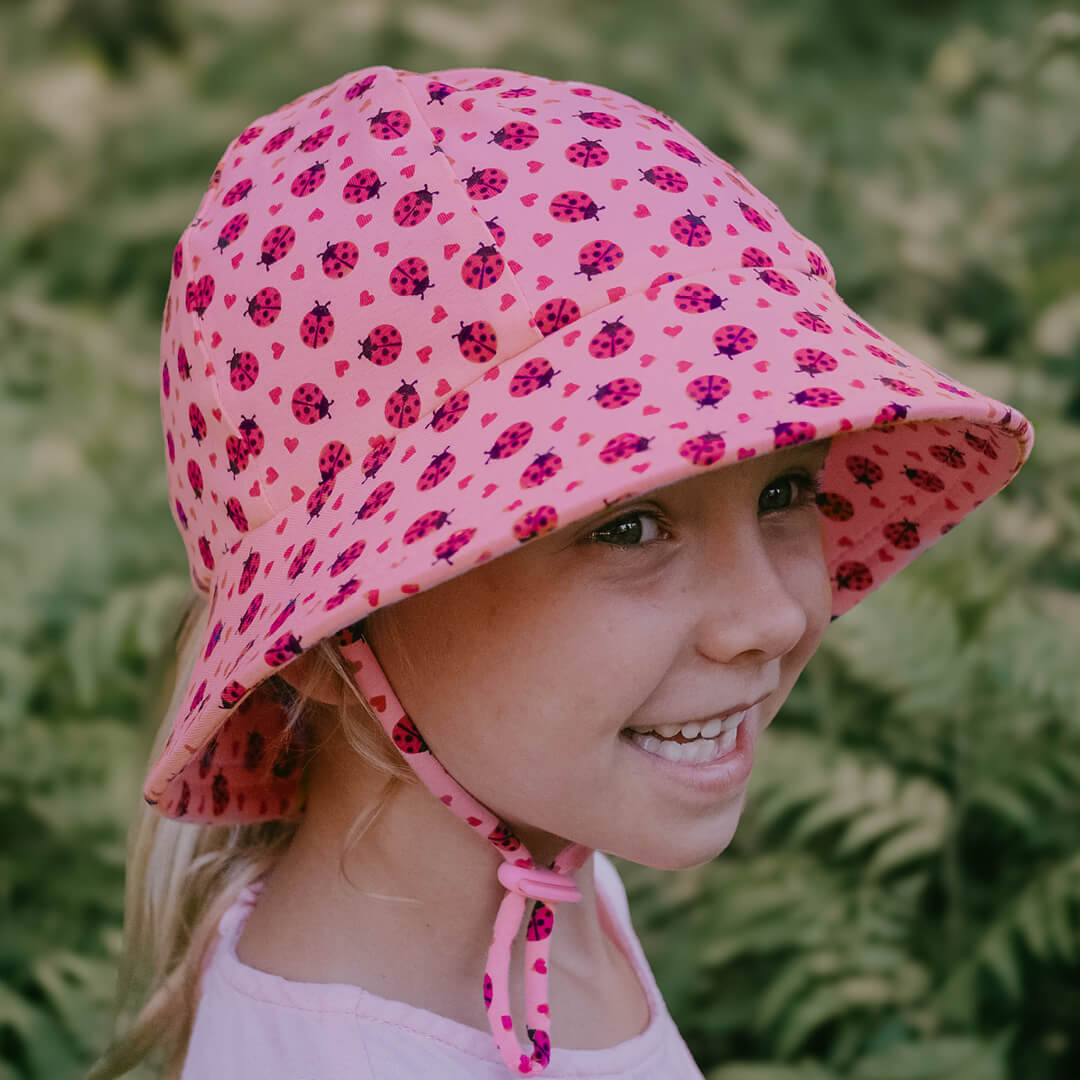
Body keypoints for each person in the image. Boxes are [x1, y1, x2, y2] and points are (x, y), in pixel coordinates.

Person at [87, 64, 1033, 1079]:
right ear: (327, 636)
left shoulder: (535, 865)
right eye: (628, 528)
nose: (770, 616)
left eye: (784, 493)